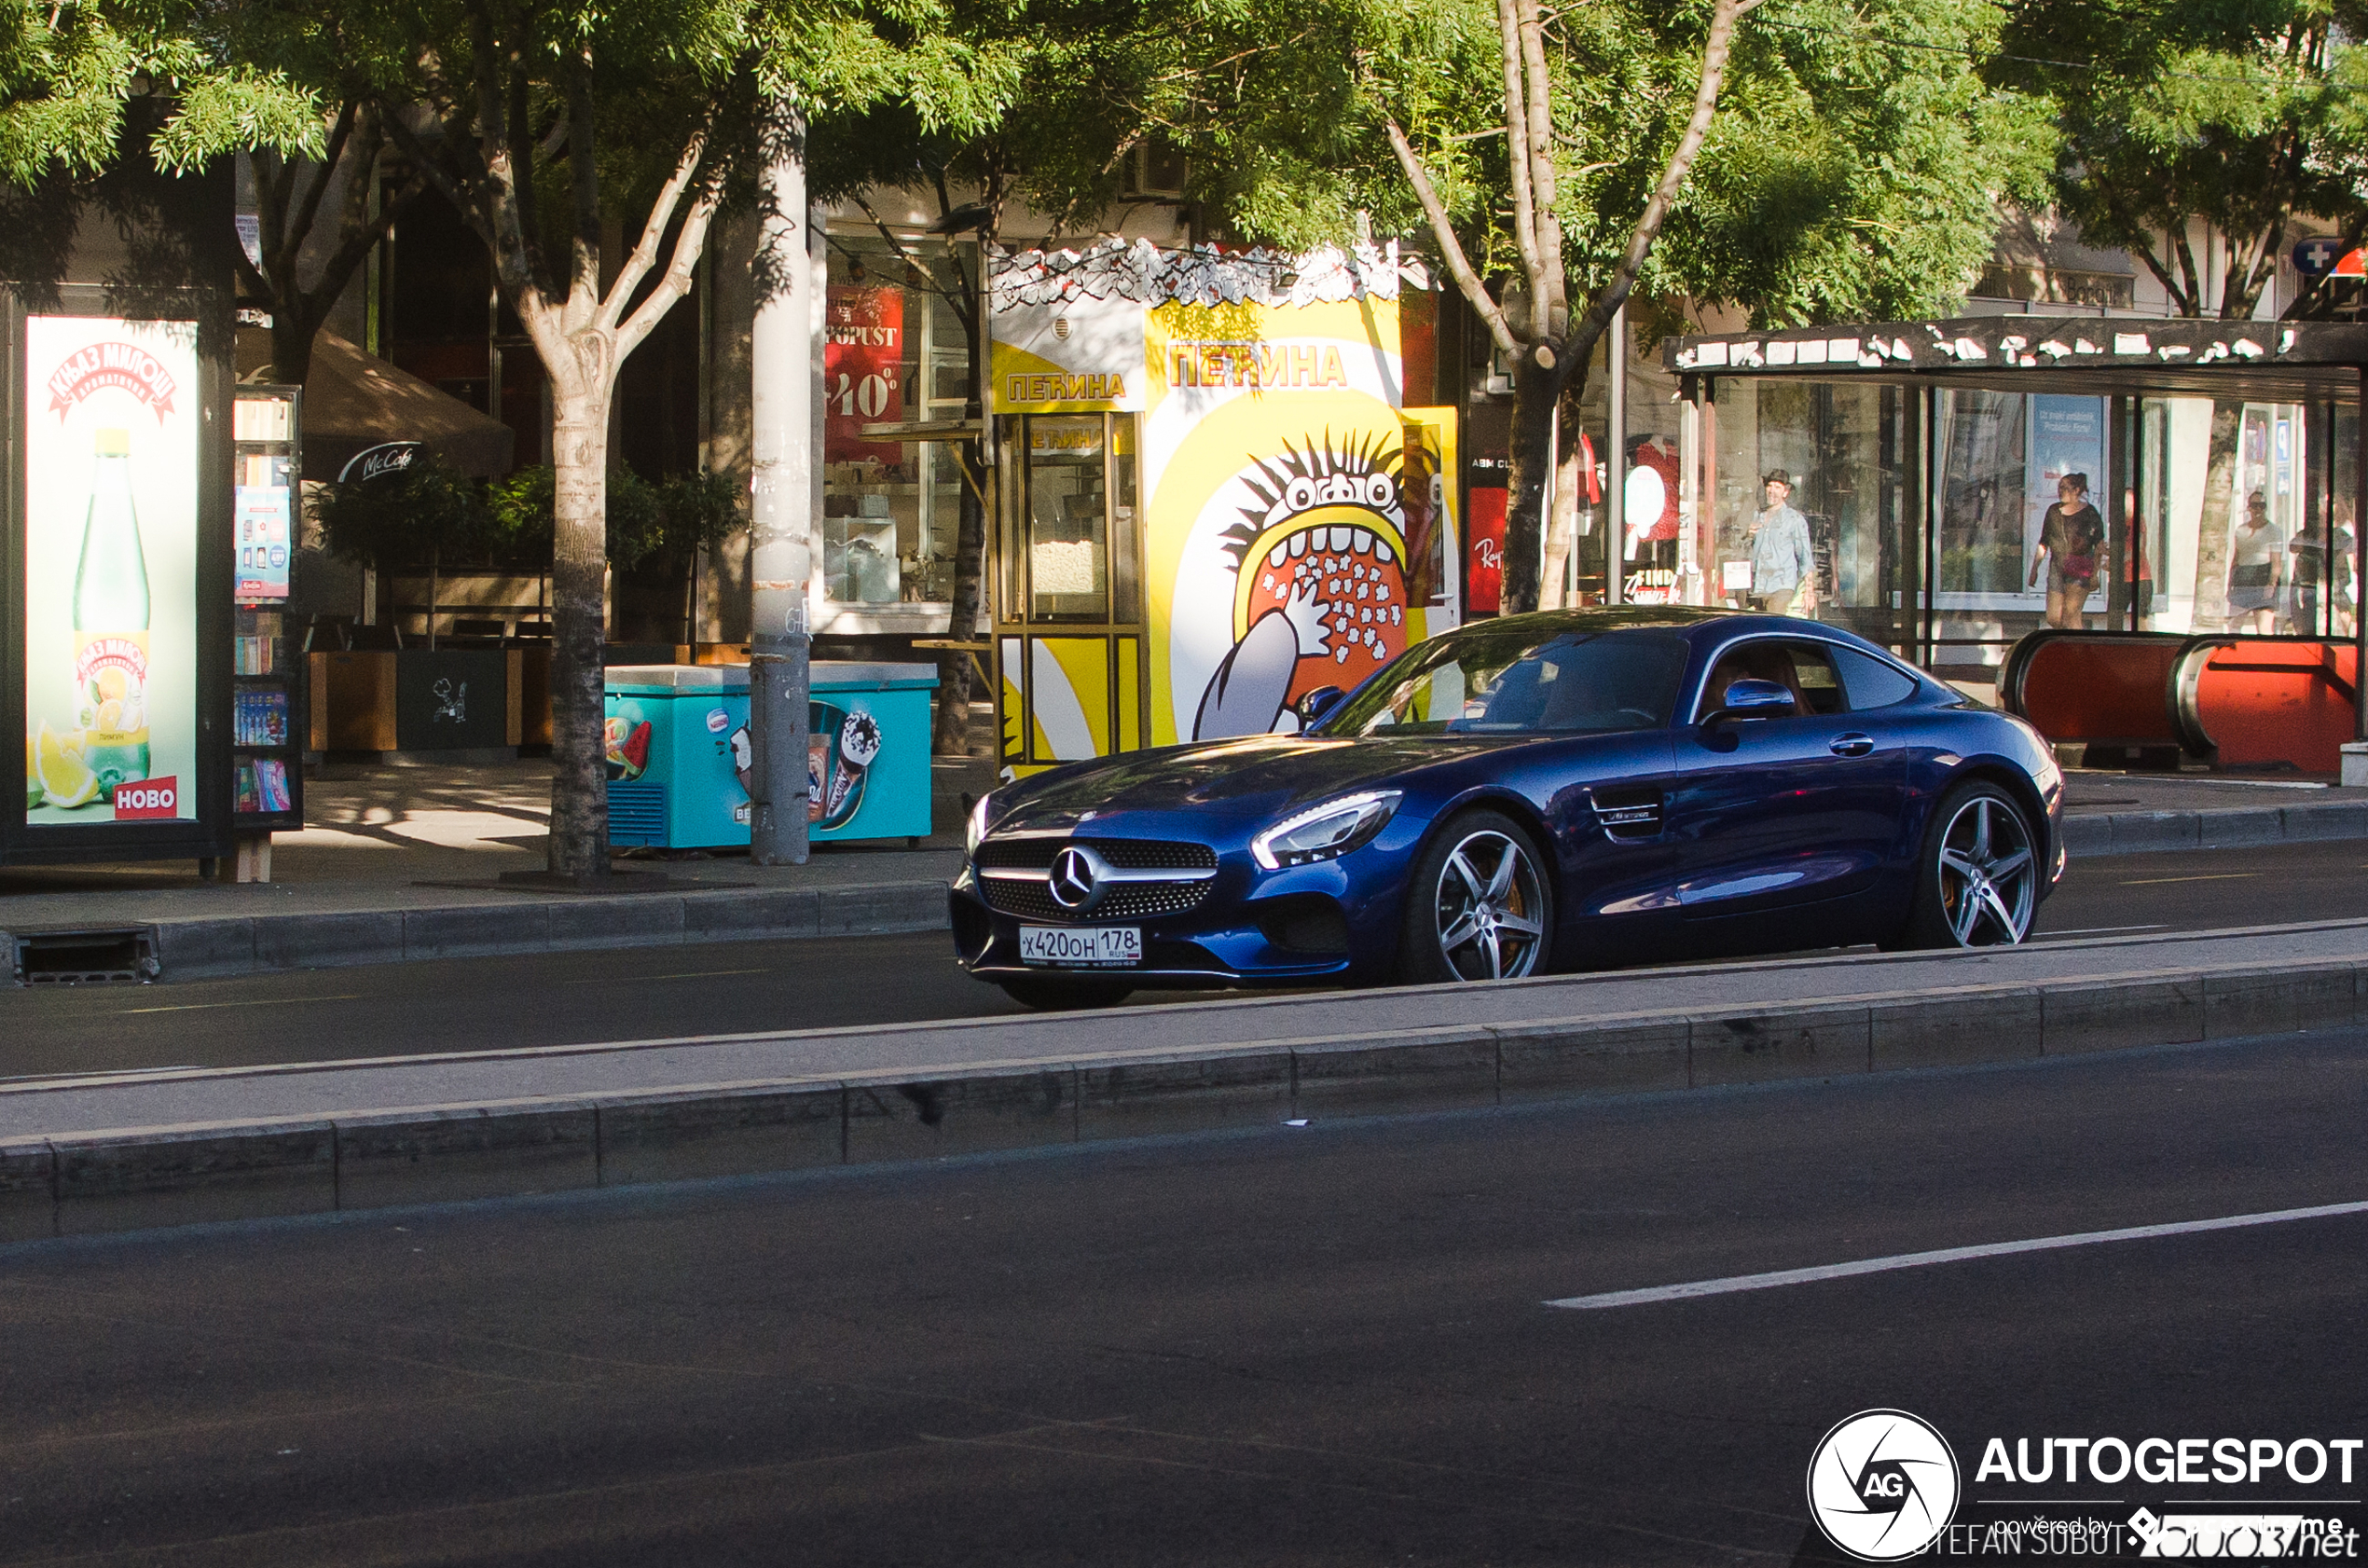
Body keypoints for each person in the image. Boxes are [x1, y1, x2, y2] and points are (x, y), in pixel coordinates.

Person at [2030, 473, 2103, 629]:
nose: (2060, 491)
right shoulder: (2053, 511)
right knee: (2053, 617)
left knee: (2072, 614)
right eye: (2059, 488)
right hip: (2057, 566)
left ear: (2076, 490)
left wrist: (2095, 574)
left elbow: (2099, 545)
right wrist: (2035, 568)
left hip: (2080, 567)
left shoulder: (2090, 513)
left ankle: (2078, 649)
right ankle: (2067, 641)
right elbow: (2044, 541)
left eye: (2065, 488)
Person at [1743, 469, 1816, 617]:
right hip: (1757, 586)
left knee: (1772, 627)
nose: (1772, 491)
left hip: (1781, 586)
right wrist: (1748, 536)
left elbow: (1805, 557)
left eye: (1778, 487)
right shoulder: (1758, 516)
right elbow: (1744, 552)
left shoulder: (1794, 519)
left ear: (1785, 492)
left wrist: (1809, 591)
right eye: (1770, 486)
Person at [2226, 489, 2284, 635]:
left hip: (2263, 575)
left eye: (2262, 506)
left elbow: (2276, 561)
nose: (2258, 509)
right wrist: (2230, 584)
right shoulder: (2241, 530)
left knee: (2264, 628)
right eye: (2254, 505)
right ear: (2249, 507)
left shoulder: (2273, 531)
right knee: (2234, 624)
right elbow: (2236, 558)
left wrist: (2271, 584)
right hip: (2242, 578)